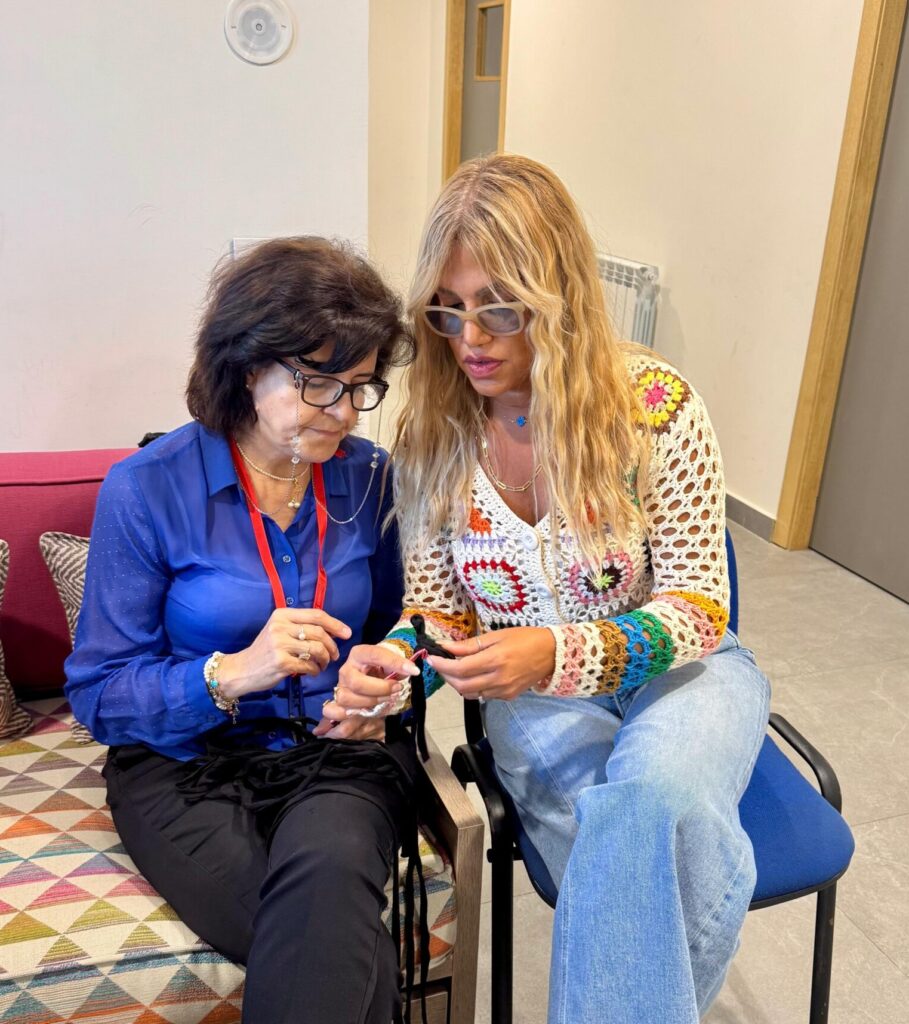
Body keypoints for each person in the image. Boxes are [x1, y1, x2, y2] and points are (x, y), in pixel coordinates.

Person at [327, 155, 771, 1024]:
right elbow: (439, 609)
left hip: (688, 672)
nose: (470, 339)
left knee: (640, 810)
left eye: (499, 306)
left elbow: (698, 606)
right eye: (447, 309)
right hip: (526, 699)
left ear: (558, 293)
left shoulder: (655, 407)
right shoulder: (434, 437)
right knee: (654, 851)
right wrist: (394, 660)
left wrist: (557, 650)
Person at [65, 237, 424, 1024]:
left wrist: (388, 680)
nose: (342, 411)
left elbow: (410, 625)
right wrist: (228, 673)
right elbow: (98, 695)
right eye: (318, 382)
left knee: (329, 882)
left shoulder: (370, 478)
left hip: (338, 756)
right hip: (182, 766)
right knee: (332, 948)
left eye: (360, 387)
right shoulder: (146, 489)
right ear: (245, 365)